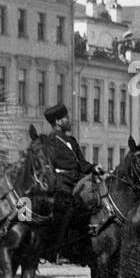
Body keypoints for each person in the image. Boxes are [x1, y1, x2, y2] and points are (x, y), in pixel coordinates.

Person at [42, 102, 103, 262]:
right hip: (61, 184)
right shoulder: (50, 141)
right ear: (57, 122)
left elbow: (81, 163)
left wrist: (94, 167)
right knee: (67, 210)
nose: (69, 120)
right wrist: (54, 185)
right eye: (66, 118)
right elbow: (49, 166)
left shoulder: (72, 141)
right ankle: (58, 250)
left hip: (78, 182)